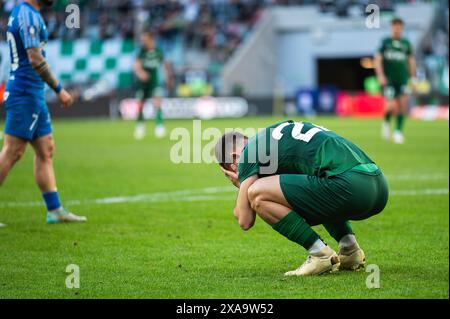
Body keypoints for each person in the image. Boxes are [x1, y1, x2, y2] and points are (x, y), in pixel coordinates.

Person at [215, 120, 389, 276]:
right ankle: (350, 250)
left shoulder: (247, 154)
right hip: (378, 186)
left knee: (257, 193)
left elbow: (244, 220)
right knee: (309, 188)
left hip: (352, 188)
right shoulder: (271, 139)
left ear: (234, 160)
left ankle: (319, 254)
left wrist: (240, 183)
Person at [0, 0, 87, 226]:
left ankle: (55, 210)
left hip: (34, 94)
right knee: (13, 151)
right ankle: (55, 210)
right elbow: (35, 57)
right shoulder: (27, 15)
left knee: (45, 149)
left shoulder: (27, 13)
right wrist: (60, 90)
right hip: (24, 93)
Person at [375, 17, 417, 144]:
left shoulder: (406, 44)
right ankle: (386, 123)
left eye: (399, 27)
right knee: (390, 105)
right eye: (395, 27)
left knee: (403, 104)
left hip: (403, 79)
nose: (397, 30)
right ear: (391, 28)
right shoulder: (385, 42)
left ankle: (398, 132)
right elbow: (377, 59)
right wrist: (381, 75)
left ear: (402, 29)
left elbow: (411, 62)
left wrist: (413, 80)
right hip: (389, 80)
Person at [133, 30, 173, 140]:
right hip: (143, 83)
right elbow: (136, 65)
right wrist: (141, 73)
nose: (143, 41)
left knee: (157, 102)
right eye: (142, 39)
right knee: (141, 104)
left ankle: (159, 127)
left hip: (154, 81)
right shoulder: (142, 51)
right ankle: (140, 126)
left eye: (145, 39)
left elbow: (164, 65)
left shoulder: (158, 51)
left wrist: (168, 79)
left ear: (150, 39)